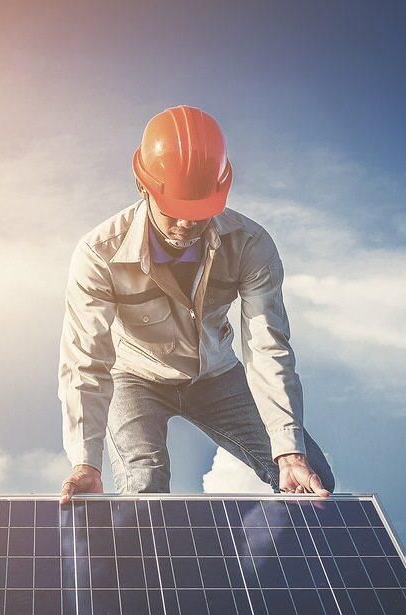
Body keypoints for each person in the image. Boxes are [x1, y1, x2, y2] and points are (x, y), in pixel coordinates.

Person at [58, 105, 335, 505]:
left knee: (311, 479)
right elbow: (86, 360)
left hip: (216, 376)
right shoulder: (98, 254)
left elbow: (268, 346)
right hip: (135, 379)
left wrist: (288, 451)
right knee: (144, 486)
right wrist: (86, 462)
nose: (187, 224)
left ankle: (254, 564)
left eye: (201, 211)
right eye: (175, 211)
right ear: (144, 188)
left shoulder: (251, 245)